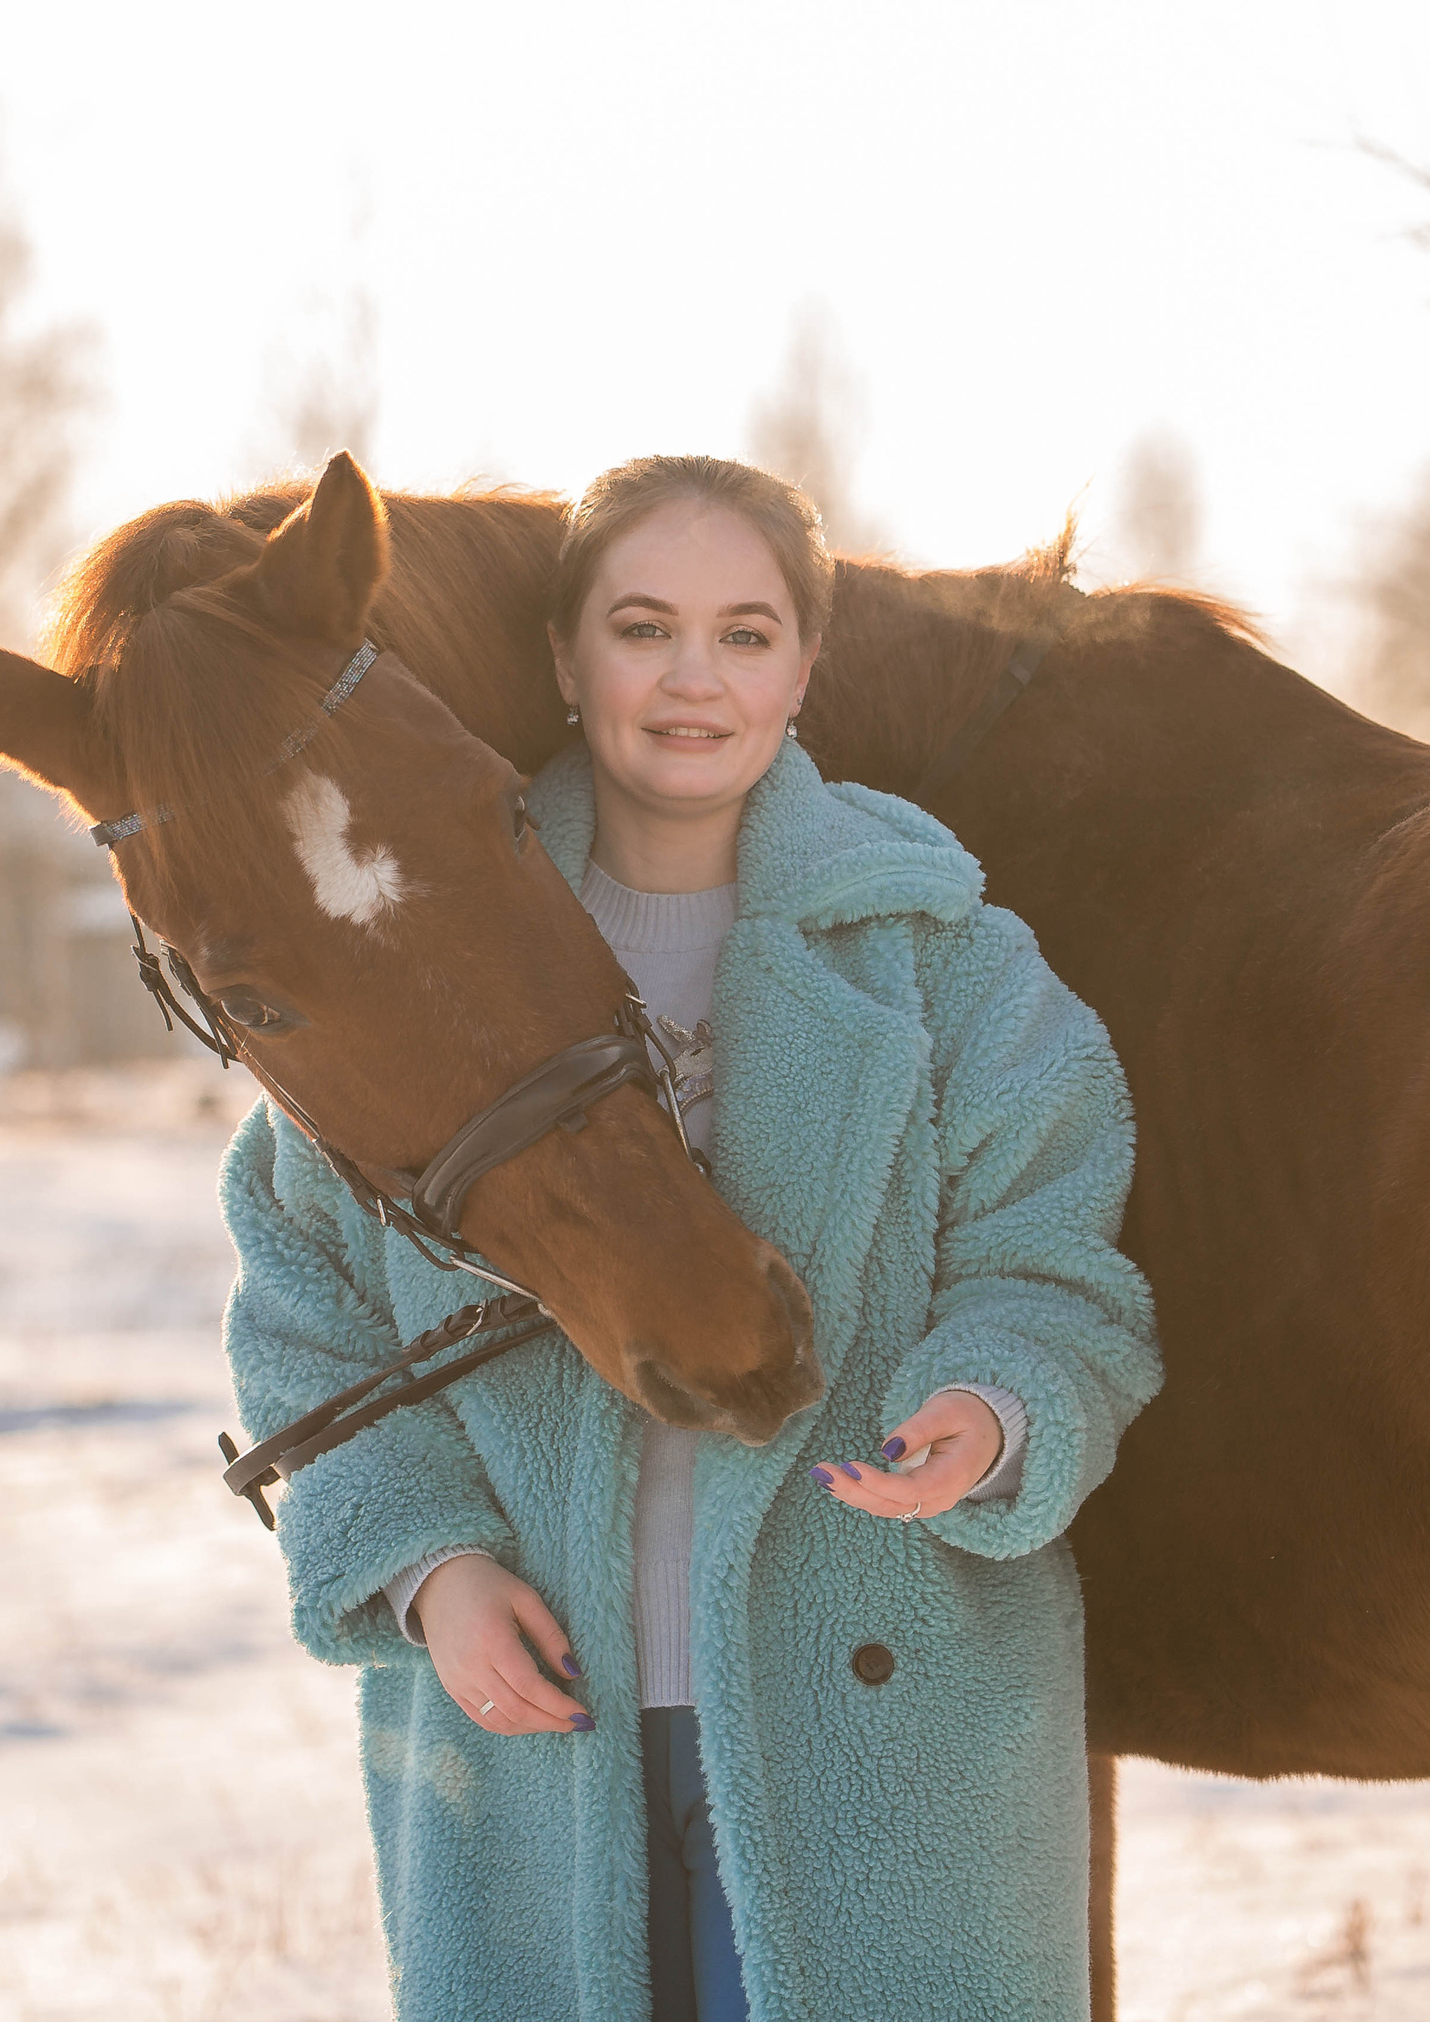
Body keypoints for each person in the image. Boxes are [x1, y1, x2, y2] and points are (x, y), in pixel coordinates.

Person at [219, 454, 1161, 2022]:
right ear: (565, 660)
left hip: (887, 1738)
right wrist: (427, 1567)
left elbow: (1062, 1274)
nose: (691, 679)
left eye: (745, 632)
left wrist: (992, 1412)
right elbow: (304, 1310)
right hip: (535, 1739)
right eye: (643, 626)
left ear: (806, 665)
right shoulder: (420, 966)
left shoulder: (950, 968)